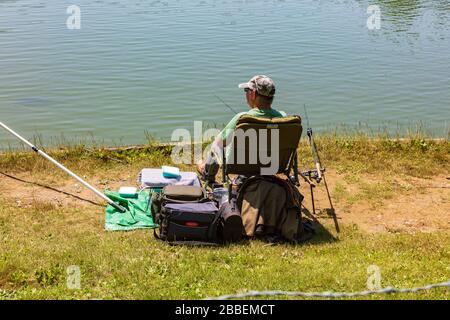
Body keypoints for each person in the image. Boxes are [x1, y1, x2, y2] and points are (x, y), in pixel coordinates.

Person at [197, 75, 286, 181]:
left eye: (246, 90)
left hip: (242, 165)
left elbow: (218, 144)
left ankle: (207, 174)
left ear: (253, 94)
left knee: (217, 145)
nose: (246, 94)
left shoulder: (243, 118)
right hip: (271, 165)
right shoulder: (283, 119)